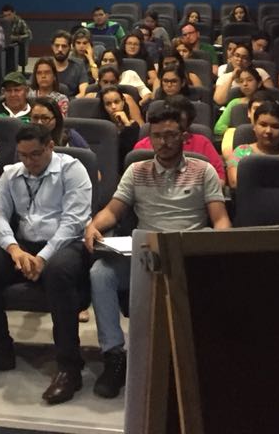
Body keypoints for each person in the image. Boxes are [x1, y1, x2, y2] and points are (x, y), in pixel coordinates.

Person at [85, 97, 230, 397]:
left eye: (171, 135)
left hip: (188, 252)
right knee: (101, 273)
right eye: (158, 136)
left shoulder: (203, 171)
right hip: (146, 255)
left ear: (183, 136)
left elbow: (220, 219)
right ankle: (114, 355)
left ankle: (205, 357)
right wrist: (94, 226)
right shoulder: (136, 171)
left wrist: (218, 248)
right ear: (149, 138)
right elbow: (112, 211)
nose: (164, 142)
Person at [0, 124, 92, 405]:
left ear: (50, 147)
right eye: (23, 155)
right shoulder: (12, 173)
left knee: (58, 271)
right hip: (24, 246)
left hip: (66, 245)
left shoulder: (72, 170)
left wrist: (43, 257)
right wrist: (14, 250)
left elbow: (74, 222)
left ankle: (69, 367)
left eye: (35, 154)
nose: (29, 161)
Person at [133, 95, 225, 184]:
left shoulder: (202, 143)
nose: (171, 122)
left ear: (188, 121)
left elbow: (219, 179)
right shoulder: (142, 146)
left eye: (177, 119)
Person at [224, 98, 279, 187]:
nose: (268, 131)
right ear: (254, 126)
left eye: (275, 126)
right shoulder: (241, 152)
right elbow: (235, 182)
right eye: (263, 125)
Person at [212, 68, 263, 140]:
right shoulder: (234, 103)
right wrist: (238, 132)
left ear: (259, 83)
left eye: (249, 80)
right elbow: (218, 128)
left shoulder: (268, 102)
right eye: (241, 81)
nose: (245, 84)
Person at [98, 86, 141, 160]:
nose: (113, 107)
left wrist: (127, 124)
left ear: (123, 101)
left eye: (116, 102)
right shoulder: (101, 127)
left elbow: (131, 153)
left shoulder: (133, 126)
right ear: (103, 106)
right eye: (108, 104)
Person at [48, 31, 83, 96]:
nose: (60, 49)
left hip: (71, 100)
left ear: (70, 47)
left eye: (64, 46)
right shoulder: (44, 65)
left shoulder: (79, 65)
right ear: (52, 47)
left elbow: (83, 92)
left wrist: (67, 102)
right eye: (57, 46)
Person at [0, 5, 31, 69]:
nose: (7, 17)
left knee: (10, 50)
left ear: (14, 13)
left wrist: (16, 37)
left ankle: (12, 70)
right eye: (5, 16)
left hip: (15, 44)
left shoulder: (20, 22)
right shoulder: (1, 23)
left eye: (9, 15)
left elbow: (29, 35)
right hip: (3, 44)